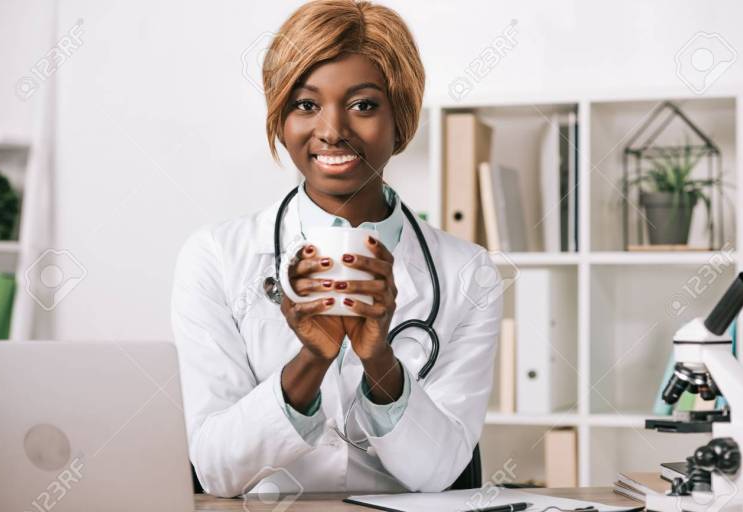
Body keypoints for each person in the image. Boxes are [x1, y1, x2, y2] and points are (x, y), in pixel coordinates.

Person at [171, 0, 502, 498]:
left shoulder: (468, 273)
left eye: (363, 105)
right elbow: (218, 471)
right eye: (306, 105)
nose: (331, 130)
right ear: (281, 117)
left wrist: (378, 359)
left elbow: (440, 474)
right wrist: (311, 359)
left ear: (401, 117)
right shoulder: (217, 257)